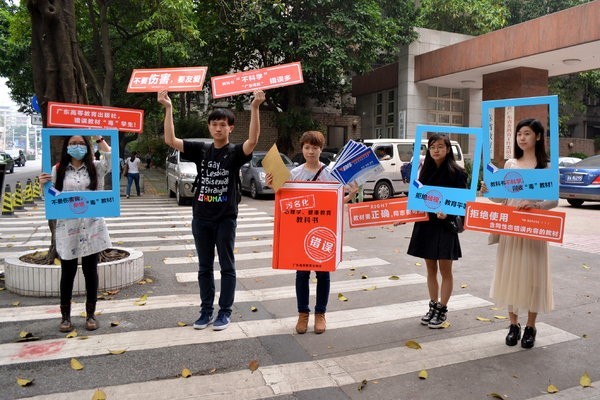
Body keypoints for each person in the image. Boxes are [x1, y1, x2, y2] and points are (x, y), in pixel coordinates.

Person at [158, 89, 265, 331]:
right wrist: (168, 108)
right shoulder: (201, 150)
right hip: (201, 218)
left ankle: (224, 312)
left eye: (223, 125)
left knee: (227, 266)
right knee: (204, 267)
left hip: (225, 219)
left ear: (230, 128)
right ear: (209, 127)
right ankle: (206, 311)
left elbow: (253, 142)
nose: (218, 128)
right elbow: (171, 141)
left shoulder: (235, 153)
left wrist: (256, 107)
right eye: (214, 124)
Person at [267, 131, 358, 335]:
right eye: (307, 147)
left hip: (323, 230)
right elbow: (286, 202)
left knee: (323, 272)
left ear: (321, 149)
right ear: (302, 149)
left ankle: (320, 314)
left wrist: (350, 195)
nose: (311, 151)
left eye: (315, 147)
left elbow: (334, 204)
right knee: (302, 273)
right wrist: (273, 186)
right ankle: (302, 314)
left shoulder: (330, 174)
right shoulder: (294, 174)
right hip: (301, 230)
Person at [481, 118, 557, 349]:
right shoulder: (511, 165)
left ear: (538, 137)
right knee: (510, 275)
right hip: (511, 229)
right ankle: (513, 325)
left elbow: (553, 199)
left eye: (526, 133)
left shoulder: (547, 167)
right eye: (519, 134)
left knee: (533, 277)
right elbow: (501, 198)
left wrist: (537, 206)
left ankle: (531, 326)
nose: (522, 138)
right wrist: (487, 190)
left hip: (533, 229)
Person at [39, 135, 112, 332]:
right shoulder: (57, 169)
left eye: (81, 143)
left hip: (92, 226)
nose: (77, 146)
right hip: (67, 227)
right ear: (66, 147)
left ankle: (90, 315)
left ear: (87, 147)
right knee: (68, 272)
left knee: (91, 272)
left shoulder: (96, 167)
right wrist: (44, 185)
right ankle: (65, 317)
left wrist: (99, 138)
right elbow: (51, 196)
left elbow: (111, 157)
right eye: (73, 143)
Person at [407, 134, 467, 329]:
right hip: (426, 225)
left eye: (440, 147)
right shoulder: (423, 171)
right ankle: (432, 306)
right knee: (430, 270)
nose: (436, 150)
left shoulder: (458, 173)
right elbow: (417, 198)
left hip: (445, 227)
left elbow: (463, 203)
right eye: (432, 147)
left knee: (445, 271)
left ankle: (442, 309)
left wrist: (448, 214)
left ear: (448, 149)